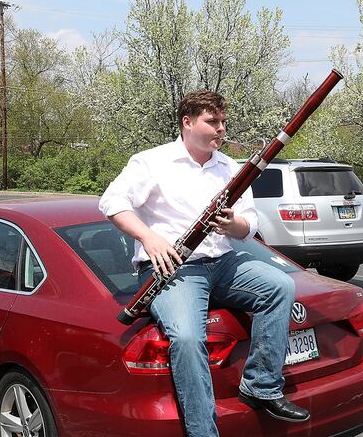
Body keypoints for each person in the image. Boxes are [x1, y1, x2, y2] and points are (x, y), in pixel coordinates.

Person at [99, 90, 309, 436]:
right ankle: (202, 431)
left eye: (223, 121)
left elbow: (249, 224)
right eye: (212, 121)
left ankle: (261, 386)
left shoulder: (229, 167)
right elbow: (112, 202)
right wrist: (149, 238)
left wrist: (234, 224)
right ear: (187, 122)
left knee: (280, 286)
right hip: (174, 267)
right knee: (186, 337)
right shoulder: (151, 162)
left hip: (222, 262)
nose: (221, 129)